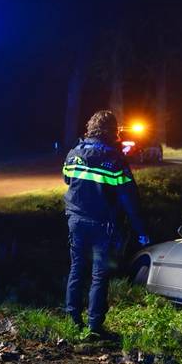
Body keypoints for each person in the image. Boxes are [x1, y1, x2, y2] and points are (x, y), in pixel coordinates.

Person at [61, 109, 149, 337]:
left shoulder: (74, 153)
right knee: (99, 275)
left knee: (76, 270)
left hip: (76, 220)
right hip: (103, 225)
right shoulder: (115, 160)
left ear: (90, 127)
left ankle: (72, 321)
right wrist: (141, 231)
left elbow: (67, 178)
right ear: (112, 131)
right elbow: (129, 199)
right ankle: (94, 326)